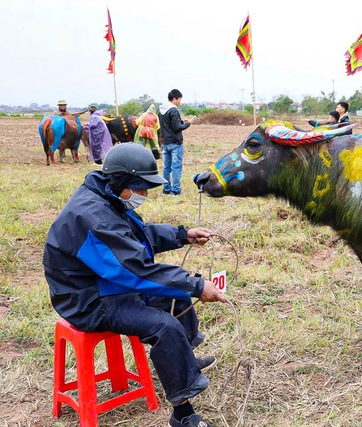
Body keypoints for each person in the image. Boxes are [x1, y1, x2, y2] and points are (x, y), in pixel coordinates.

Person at [44, 143, 226, 427]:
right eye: (140, 188)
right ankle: (183, 414)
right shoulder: (96, 218)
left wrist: (183, 235)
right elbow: (135, 270)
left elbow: (137, 236)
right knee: (165, 326)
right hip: (88, 299)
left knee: (175, 292)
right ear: (122, 182)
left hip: (104, 283)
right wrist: (195, 285)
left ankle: (183, 359)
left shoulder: (107, 197)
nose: (144, 194)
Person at [159, 89, 191, 195]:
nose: (179, 102)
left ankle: (166, 189)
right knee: (176, 167)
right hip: (175, 143)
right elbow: (177, 128)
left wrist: (181, 121)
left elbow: (169, 124)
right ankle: (176, 190)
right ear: (174, 99)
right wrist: (188, 124)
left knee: (167, 167)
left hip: (165, 142)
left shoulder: (161, 110)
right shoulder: (174, 110)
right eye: (179, 99)